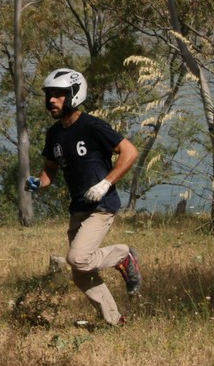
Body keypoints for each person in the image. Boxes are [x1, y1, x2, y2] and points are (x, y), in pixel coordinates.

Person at [24, 68, 141, 327]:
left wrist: (105, 183)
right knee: (81, 274)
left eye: (58, 95)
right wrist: (38, 183)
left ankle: (123, 256)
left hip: (101, 205)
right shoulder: (54, 134)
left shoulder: (92, 126)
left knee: (77, 258)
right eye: (48, 95)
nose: (51, 100)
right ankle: (114, 322)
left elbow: (130, 152)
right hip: (78, 207)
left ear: (74, 95)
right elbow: (50, 171)